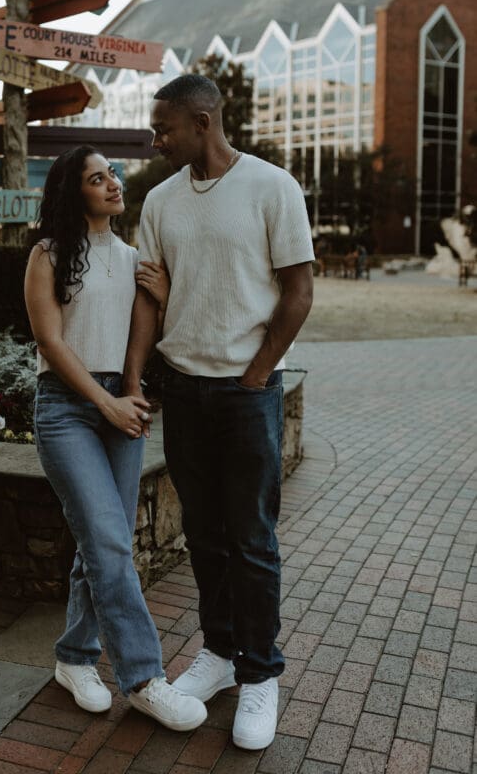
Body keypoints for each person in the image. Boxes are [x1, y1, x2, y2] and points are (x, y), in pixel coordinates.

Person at [122, 75, 314, 751]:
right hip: (183, 390)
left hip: (246, 394)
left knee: (251, 540)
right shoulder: (161, 201)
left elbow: (297, 290)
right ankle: (220, 654)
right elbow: (148, 297)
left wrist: (257, 372)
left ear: (203, 121)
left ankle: (261, 673)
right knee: (202, 535)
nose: (157, 138)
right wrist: (133, 379)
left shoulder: (271, 187)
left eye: (165, 128)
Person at [24, 145, 207, 733]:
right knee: (107, 542)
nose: (112, 184)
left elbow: (146, 333)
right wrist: (105, 402)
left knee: (101, 543)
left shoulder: (133, 258)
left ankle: (74, 660)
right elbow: (52, 344)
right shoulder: (47, 255)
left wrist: (163, 295)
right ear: (73, 192)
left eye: (113, 174)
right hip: (67, 409)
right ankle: (145, 679)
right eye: (96, 178)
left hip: (120, 404)